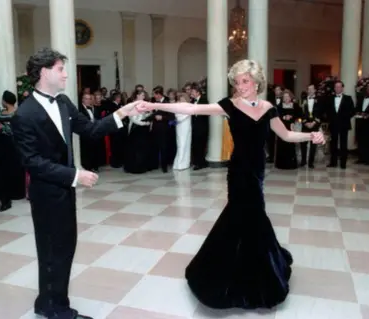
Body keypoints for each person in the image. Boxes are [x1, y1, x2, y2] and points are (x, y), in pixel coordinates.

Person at [136, 59, 324, 310]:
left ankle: (258, 267)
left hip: (257, 171)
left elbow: (287, 135)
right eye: (237, 82)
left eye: (245, 81)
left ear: (257, 82)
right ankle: (230, 272)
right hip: (238, 171)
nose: (240, 85)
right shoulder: (230, 105)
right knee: (243, 215)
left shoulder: (268, 107)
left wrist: (311, 135)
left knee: (253, 215)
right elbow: (192, 109)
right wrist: (152, 104)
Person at [11, 47, 139, 319]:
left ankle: (49, 301)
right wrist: (74, 175)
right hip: (47, 193)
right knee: (52, 250)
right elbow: (31, 162)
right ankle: (55, 308)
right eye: (60, 69)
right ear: (44, 72)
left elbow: (91, 130)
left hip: (64, 192)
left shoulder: (64, 102)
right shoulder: (25, 114)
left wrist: (121, 113)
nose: (66, 74)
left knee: (64, 248)